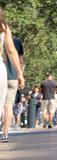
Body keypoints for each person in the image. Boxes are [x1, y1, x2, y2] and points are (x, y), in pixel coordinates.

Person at [0, 8, 25, 141]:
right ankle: (5, 134)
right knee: (7, 106)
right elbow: (11, 51)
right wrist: (20, 73)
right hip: (6, 74)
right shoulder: (4, 28)